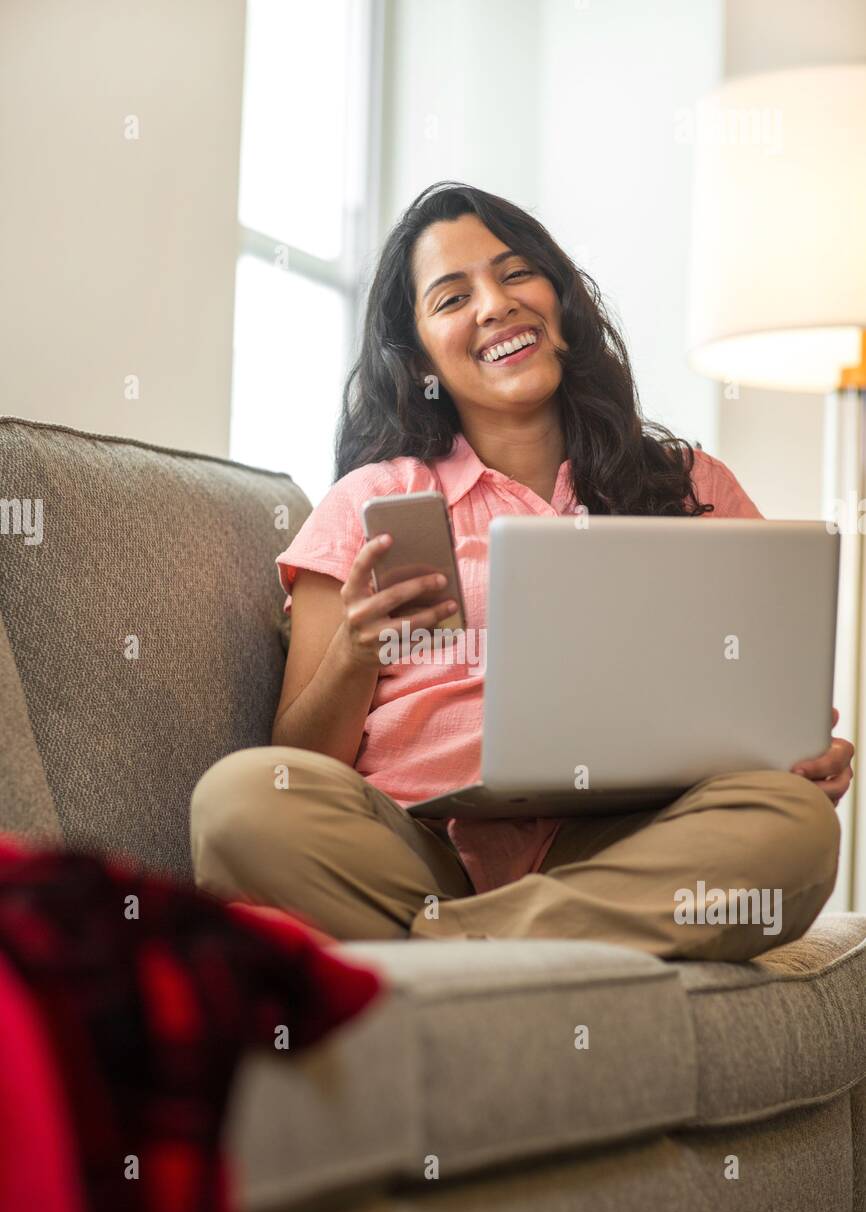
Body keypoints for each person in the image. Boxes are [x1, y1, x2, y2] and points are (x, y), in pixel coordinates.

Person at [190, 181, 854, 961]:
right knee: (237, 803)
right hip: (417, 850)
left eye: (514, 274)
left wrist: (803, 754)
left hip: (628, 842)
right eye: (450, 297)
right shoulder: (374, 501)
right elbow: (296, 761)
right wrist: (355, 655)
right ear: (417, 352)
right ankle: (532, 943)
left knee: (796, 829)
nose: (494, 305)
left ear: (561, 301)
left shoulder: (692, 486)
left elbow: (765, 699)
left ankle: (455, 952)